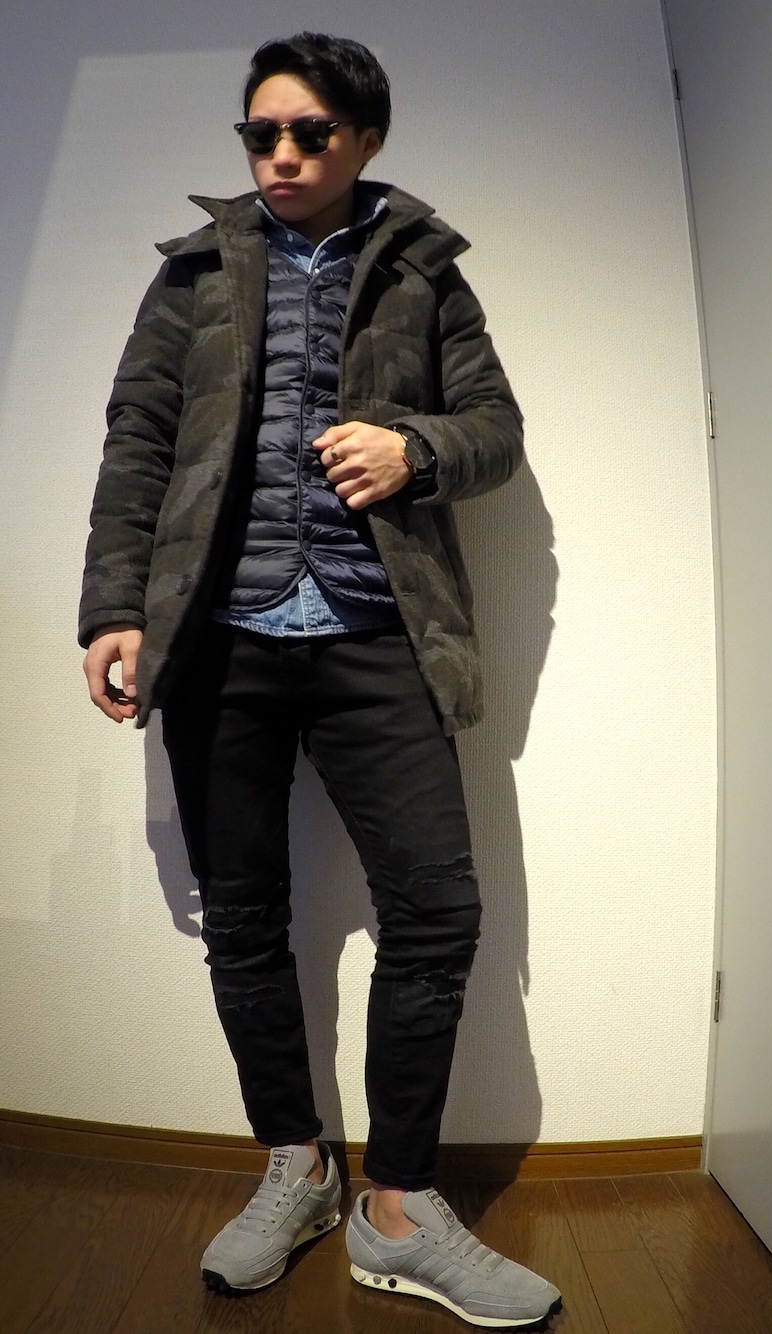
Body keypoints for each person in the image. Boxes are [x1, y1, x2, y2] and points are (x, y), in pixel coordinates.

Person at [79, 32, 561, 1330]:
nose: (281, 155)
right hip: (217, 643)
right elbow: (137, 442)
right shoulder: (193, 272)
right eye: (261, 134)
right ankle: (294, 1166)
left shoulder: (424, 271)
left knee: (437, 912)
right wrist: (114, 608)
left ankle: (395, 1207)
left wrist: (413, 448)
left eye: (309, 134)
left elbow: (497, 431)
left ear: (365, 139)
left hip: (376, 634)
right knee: (243, 918)